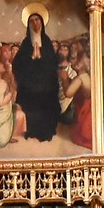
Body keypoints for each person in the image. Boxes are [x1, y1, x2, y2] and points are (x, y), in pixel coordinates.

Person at [12, 9, 62, 141]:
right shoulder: (26, 42)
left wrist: (41, 58)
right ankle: (32, 130)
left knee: (47, 102)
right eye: (32, 21)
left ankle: (45, 131)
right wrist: (31, 58)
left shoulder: (46, 41)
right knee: (31, 105)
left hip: (46, 83)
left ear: (42, 22)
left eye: (37, 20)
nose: (35, 23)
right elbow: (17, 64)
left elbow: (53, 63)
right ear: (28, 25)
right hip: (30, 84)